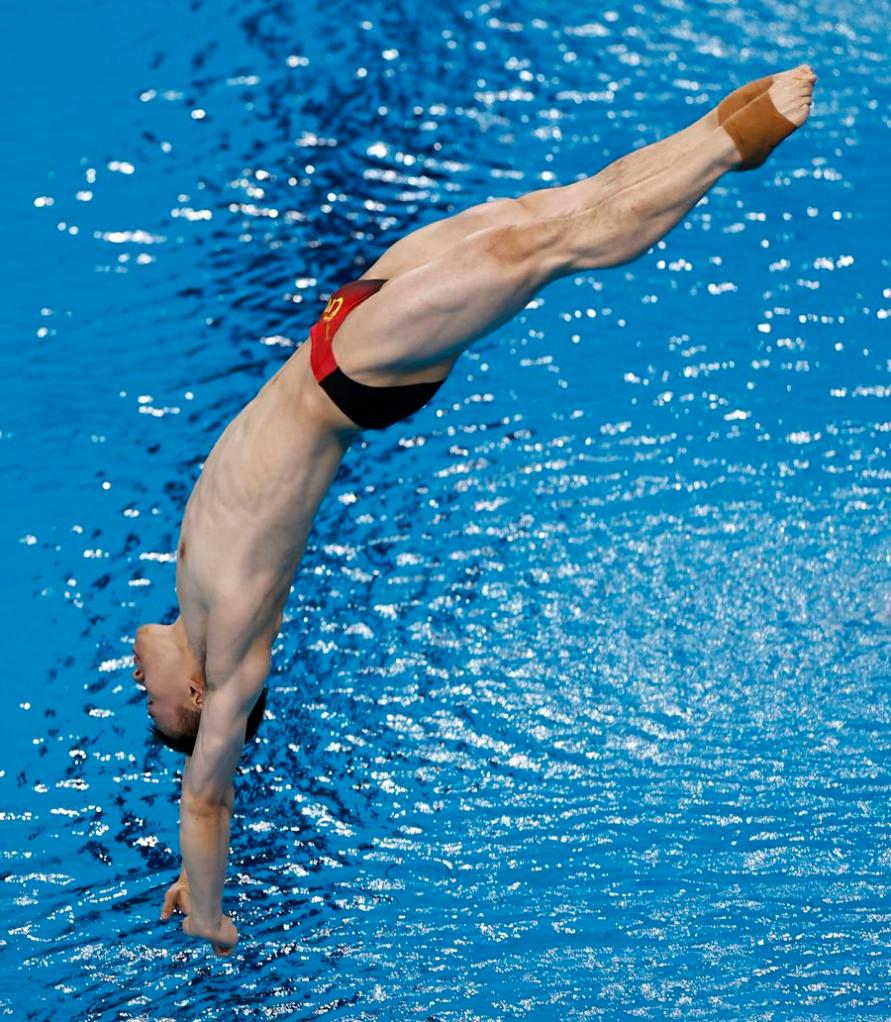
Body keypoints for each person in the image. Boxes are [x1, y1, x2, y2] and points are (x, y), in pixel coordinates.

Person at [133, 65, 816, 954]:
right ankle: (729, 144)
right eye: (153, 706)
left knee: (549, 212)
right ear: (193, 695)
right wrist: (210, 912)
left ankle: (714, 135)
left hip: (343, 328)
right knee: (552, 246)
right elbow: (207, 795)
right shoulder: (232, 660)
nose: (137, 686)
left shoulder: (192, 601)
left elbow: (203, 812)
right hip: (357, 372)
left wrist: (196, 871)